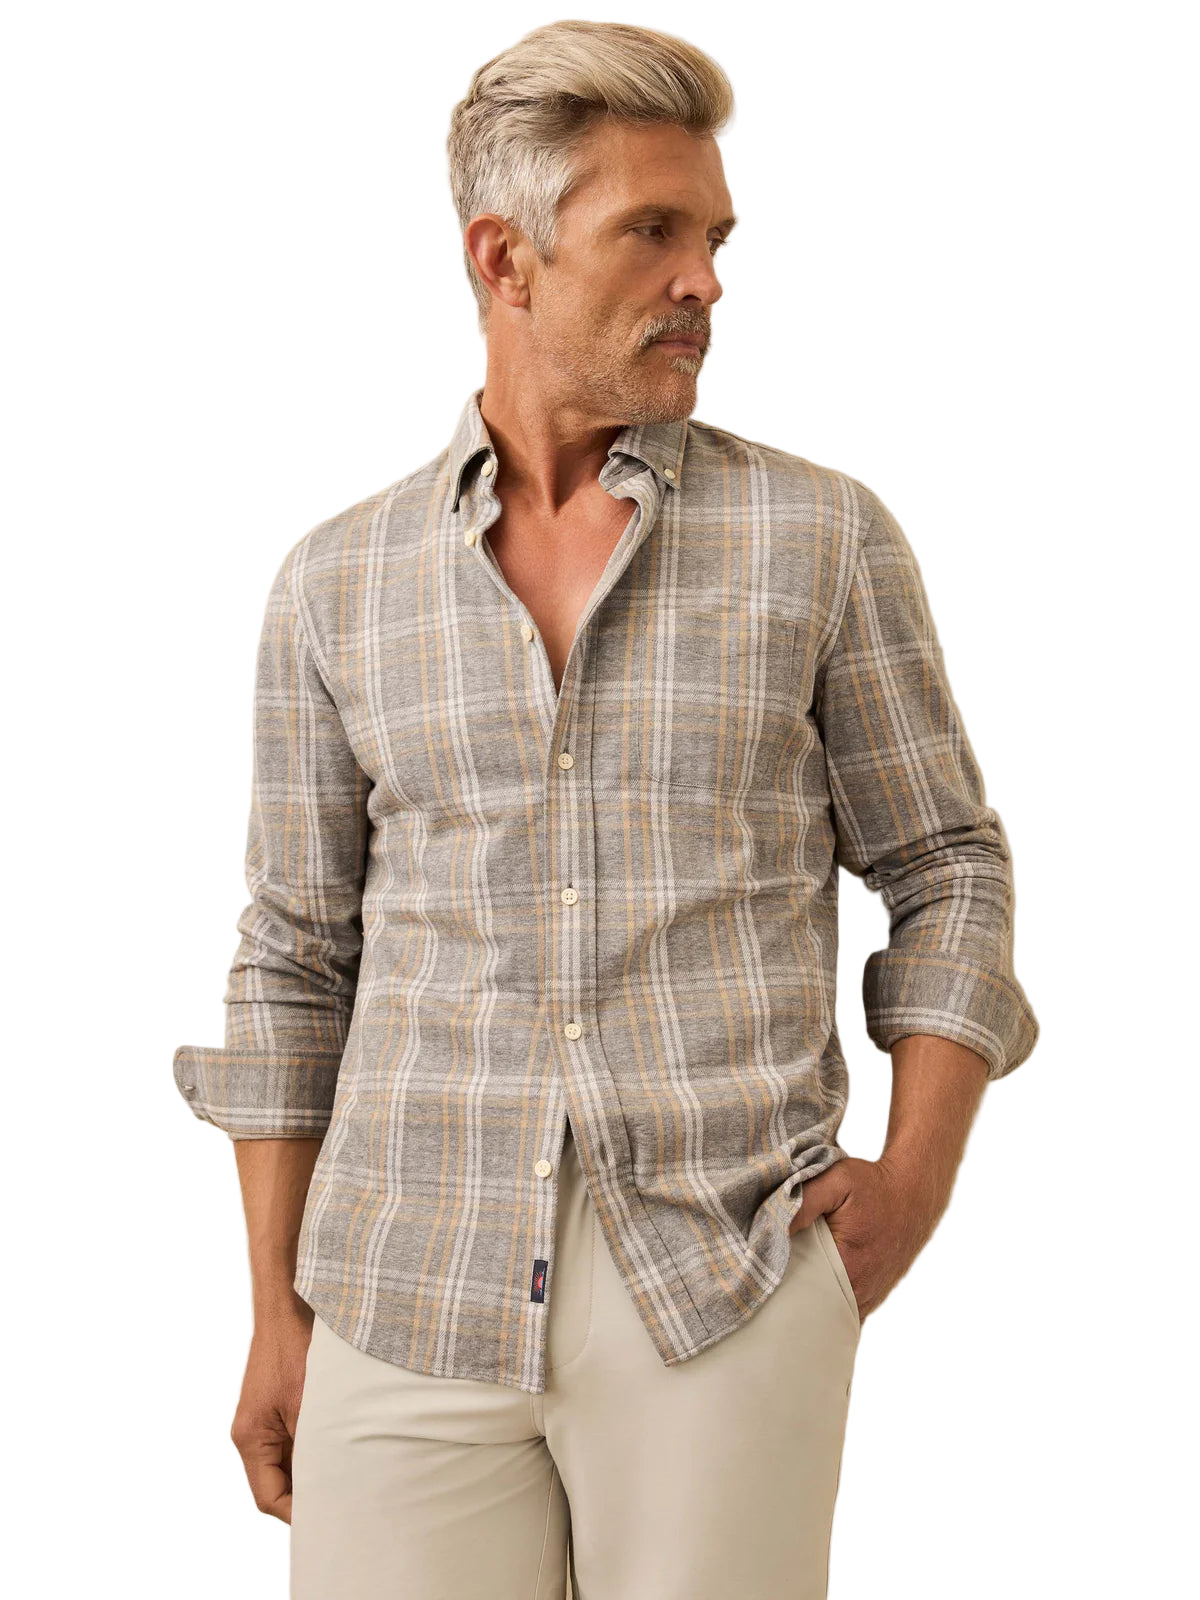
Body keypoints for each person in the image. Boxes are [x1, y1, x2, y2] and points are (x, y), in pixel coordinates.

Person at [173, 20, 1039, 1600]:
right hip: (402, 1288)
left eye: (714, 238)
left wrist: (910, 1184)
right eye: (654, 231)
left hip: (720, 1277)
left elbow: (947, 866)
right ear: (504, 257)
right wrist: (274, 1313)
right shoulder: (338, 585)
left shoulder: (819, 539)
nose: (704, 280)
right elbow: (295, 957)